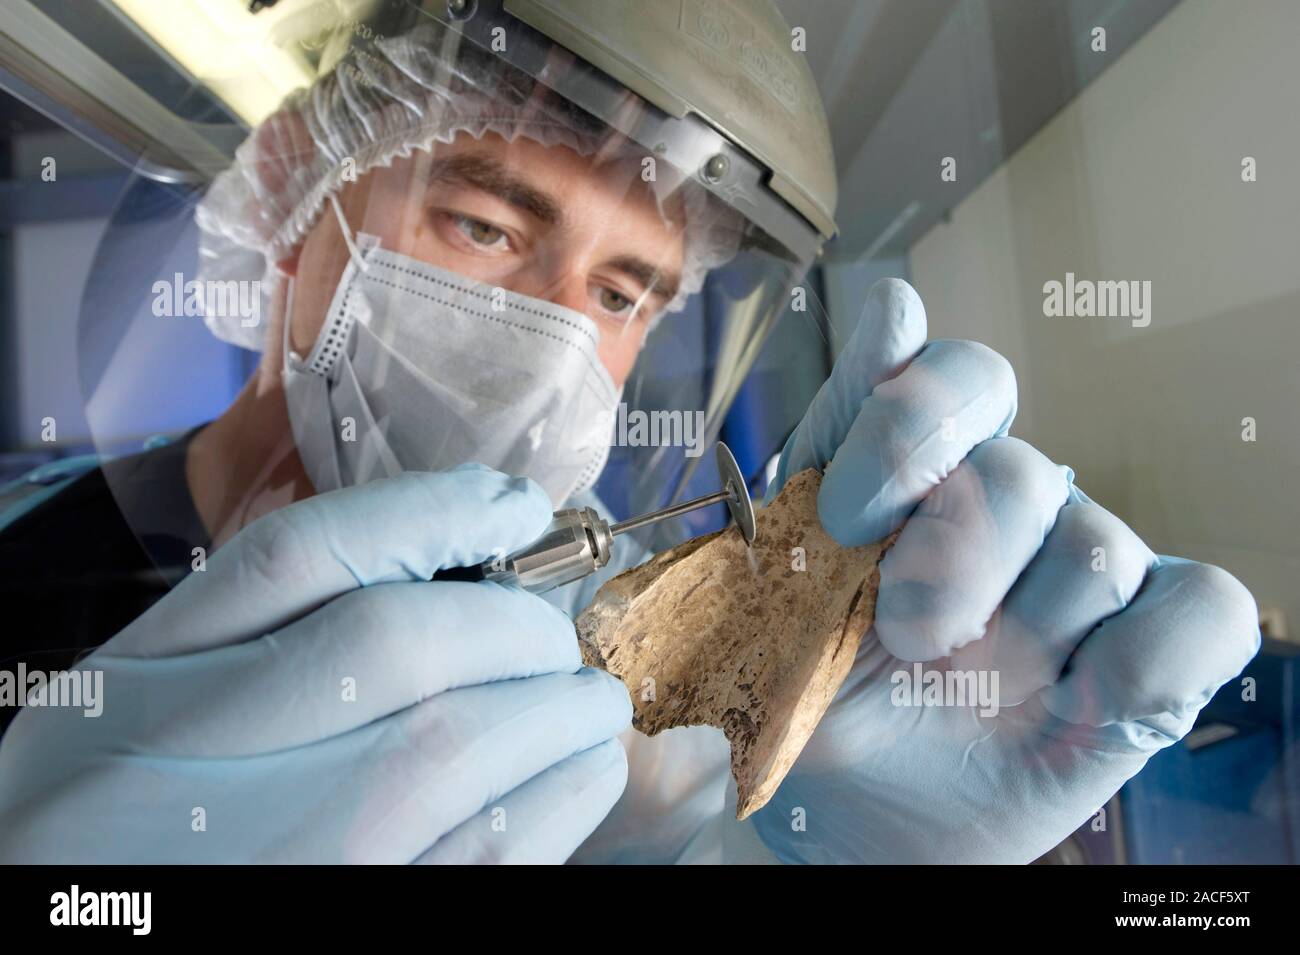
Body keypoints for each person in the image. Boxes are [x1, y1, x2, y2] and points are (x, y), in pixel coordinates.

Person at [0, 0, 1258, 864]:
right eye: (486, 227)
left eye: (619, 294)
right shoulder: (19, 550)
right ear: (293, 194)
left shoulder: (627, 699)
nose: (550, 337)